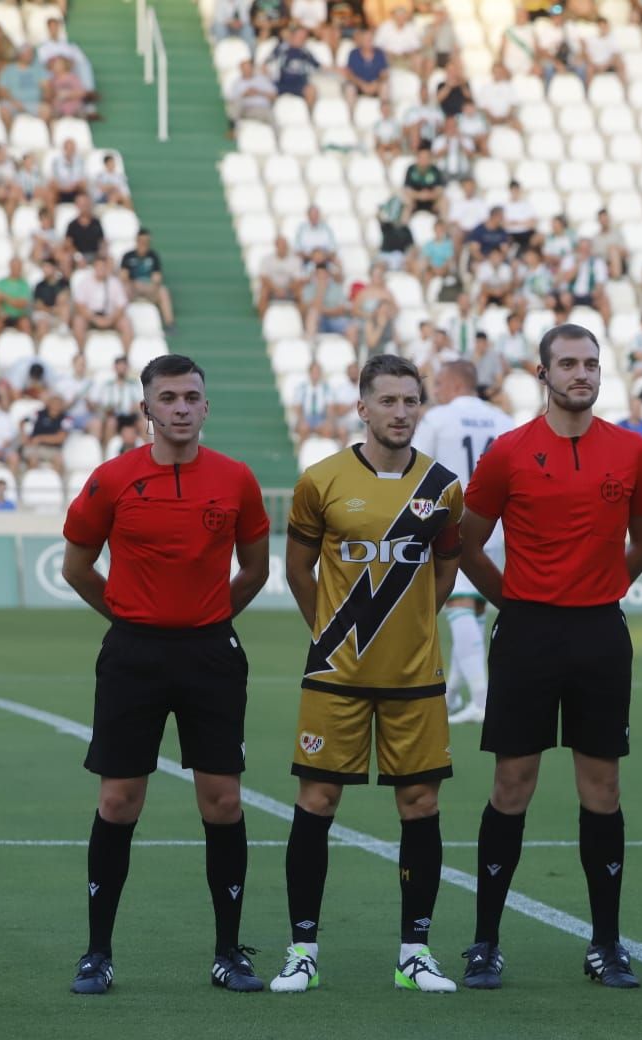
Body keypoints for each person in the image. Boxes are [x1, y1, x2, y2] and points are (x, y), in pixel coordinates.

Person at [457, 323, 642, 990]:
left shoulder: (632, 453)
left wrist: (599, 593)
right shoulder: (509, 453)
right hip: (528, 635)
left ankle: (605, 945)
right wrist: (515, 600)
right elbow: (468, 542)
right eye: (568, 363)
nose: (582, 373)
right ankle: (485, 942)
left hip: (600, 634)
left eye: (591, 363)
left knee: (602, 789)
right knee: (512, 785)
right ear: (543, 374)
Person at [61, 354, 271, 995]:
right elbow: (76, 566)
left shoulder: (236, 479)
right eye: (169, 397)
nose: (181, 407)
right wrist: (131, 618)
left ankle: (228, 952)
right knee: (119, 802)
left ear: (206, 406)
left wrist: (206, 622)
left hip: (211, 655)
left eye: (192, 397)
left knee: (223, 800)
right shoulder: (112, 479)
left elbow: (255, 568)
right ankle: (97, 953)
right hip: (133, 656)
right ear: (146, 406)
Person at [269, 354, 464, 996]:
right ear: (363, 407)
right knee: (317, 803)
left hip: (415, 680)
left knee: (421, 805)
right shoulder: (320, 480)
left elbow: (443, 570)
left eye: (411, 401)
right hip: (337, 678)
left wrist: (412, 631)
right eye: (388, 401)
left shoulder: (442, 488)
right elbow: (299, 571)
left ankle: (415, 952)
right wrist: (329, 632)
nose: (401, 412)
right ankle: (302, 950)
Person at [411, 359, 515, 725]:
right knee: (475, 609)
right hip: (499, 526)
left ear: (454, 384)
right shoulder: (504, 421)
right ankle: (454, 692)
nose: (435, 389)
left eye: (439, 382)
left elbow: (417, 467)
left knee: (458, 604)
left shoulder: (438, 419)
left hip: (455, 522)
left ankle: (482, 699)